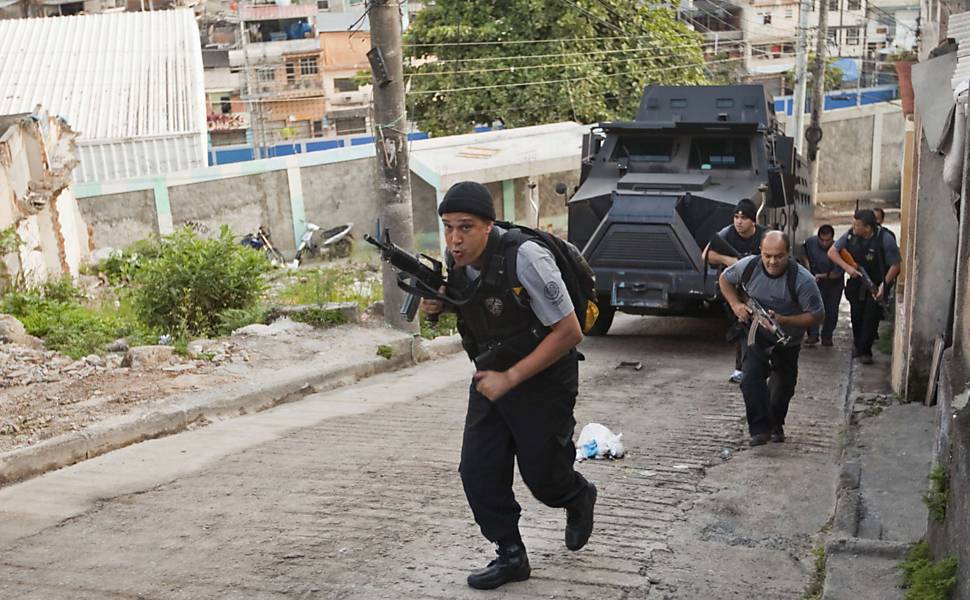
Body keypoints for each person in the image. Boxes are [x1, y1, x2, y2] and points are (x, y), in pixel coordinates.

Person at [420, 181, 597, 591]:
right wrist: (440, 304)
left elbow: (569, 332)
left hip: (544, 377)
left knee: (544, 477)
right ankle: (511, 554)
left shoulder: (527, 258)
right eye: (448, 228)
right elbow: (478, 305)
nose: (455, 239)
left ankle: (576, 496)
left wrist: (513, 378)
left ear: (488, 225)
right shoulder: (457, 260)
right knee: (477, 471)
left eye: (465, 228)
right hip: (492, 375)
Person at [719, 231, 825, 446]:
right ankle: (759, 429)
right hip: (755, 333)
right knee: (750, 379)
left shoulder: (802, 280)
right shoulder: (748, 266)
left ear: (788, 253)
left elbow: (817, 315)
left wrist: (784, 320)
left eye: (778, 256)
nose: (772, 261)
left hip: (788, 338)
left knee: (783, 386)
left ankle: (776, 423)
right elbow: (725, 280)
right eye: (767, 256)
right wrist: (736, 305)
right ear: (761, 252)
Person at [703, 198, 769, 384]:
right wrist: (728, 260)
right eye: (736, 217)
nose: (739, 222)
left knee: (760, 329)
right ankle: (742, 369)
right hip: (734, 289)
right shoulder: (727, 233)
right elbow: (706, 254)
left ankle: (754, 367)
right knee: (743, 326)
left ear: (753, 221)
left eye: (744, 218)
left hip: (760, 289)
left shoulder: (765, 235)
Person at [828, 209, 901, 365]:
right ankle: (858, 344)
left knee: (871, 318)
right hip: (857, 282)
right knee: (856, 315)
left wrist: (884, 285)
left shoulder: (885, 239)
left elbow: (895, 266)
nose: (853, 227)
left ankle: (865, 351)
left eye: (857, 225)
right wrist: (847, 268)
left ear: (868, 228)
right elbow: (833, 252)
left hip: (876, 283)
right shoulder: (850, 235)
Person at [800, 224, 844, 346]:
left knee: (831, 311)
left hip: (833, 285)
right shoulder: (810, 242)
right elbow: (803, 254)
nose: (824, 243)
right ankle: (813, 335)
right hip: (815, 283)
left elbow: (837, 273)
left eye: (827, 241)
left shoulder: (838, 249)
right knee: (813, 308)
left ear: (832, 239)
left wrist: (820, 276)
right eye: (822, 240)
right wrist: (808, 267)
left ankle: (827, 336)